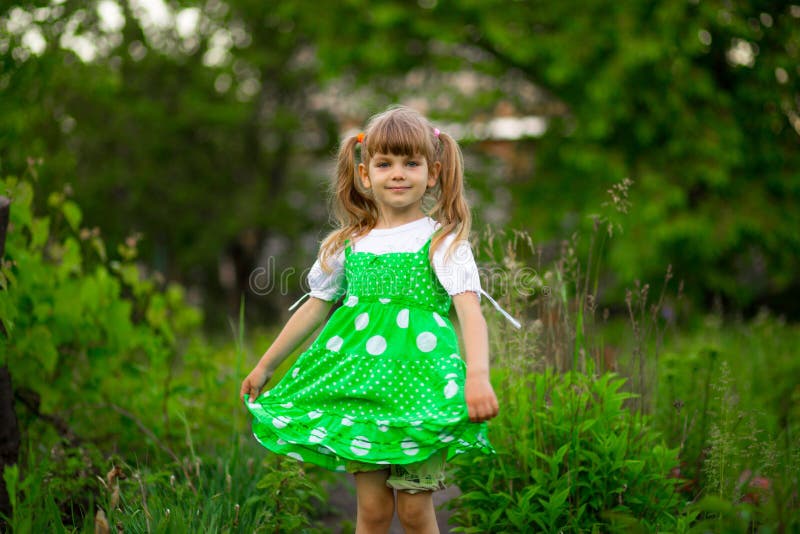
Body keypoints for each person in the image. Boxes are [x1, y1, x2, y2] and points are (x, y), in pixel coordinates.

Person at [240, 105, 520, 534]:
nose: (398, 173)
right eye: (385, 163)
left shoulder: (441, 241)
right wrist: (266, 365)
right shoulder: (348, 244)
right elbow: (314, 307)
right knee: (372, 513)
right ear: (365, 175)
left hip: (420, 394)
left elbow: (470, 312)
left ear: (433, 173)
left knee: (413, 512)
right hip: (361, 395)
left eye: (411, 163)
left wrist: (477, 376)